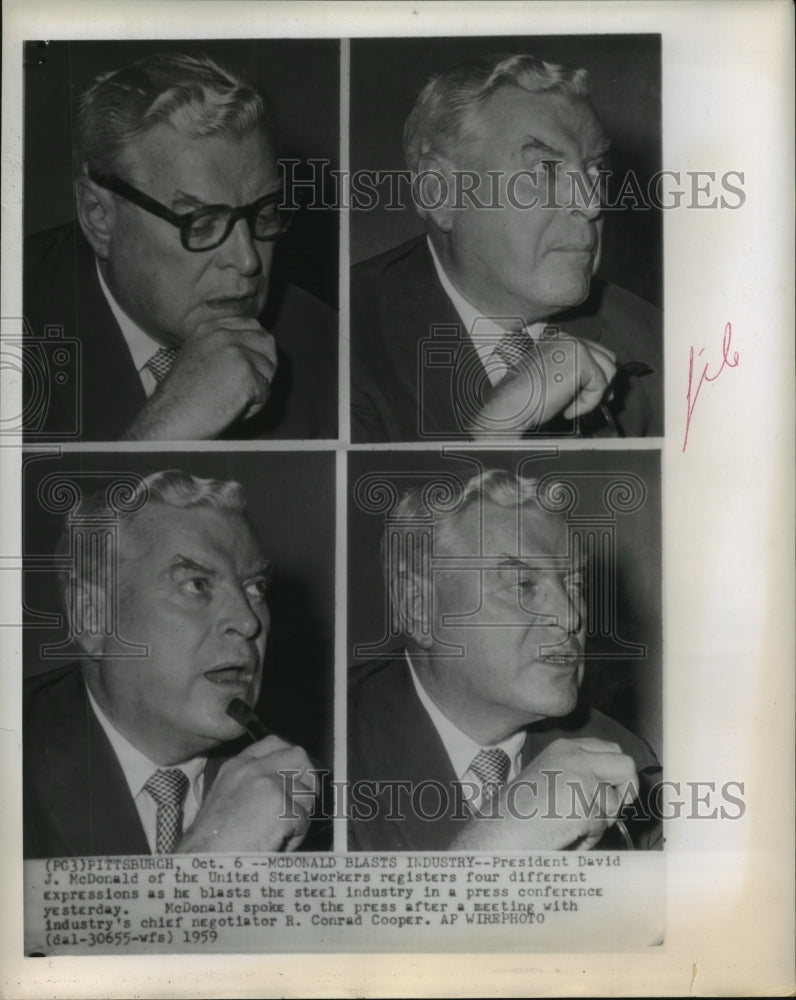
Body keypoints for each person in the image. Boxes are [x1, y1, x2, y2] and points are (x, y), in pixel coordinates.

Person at [23, 52, 336, 441]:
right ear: (99, 219)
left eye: (264, 214)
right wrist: (160, 436)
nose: (248, 260)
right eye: (201, 224)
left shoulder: (330, 350)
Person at [351, 53, 662, 442]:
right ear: (440, 194)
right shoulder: (338, 344)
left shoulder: (651, 336)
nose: (591, 203)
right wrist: (496, 431)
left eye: (595, 168)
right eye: (545, 170)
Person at [348, 470, 662, 851]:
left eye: (574, 585)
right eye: (523, 585)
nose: (570, 617)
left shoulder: (625, 757)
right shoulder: (323, 758)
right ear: (420, 610)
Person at [24, 470, 325, 857]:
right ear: (92, 617)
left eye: (256, 588)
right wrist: (204, 864)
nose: (249, 622)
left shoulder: (309, 791)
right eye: (196, 584)